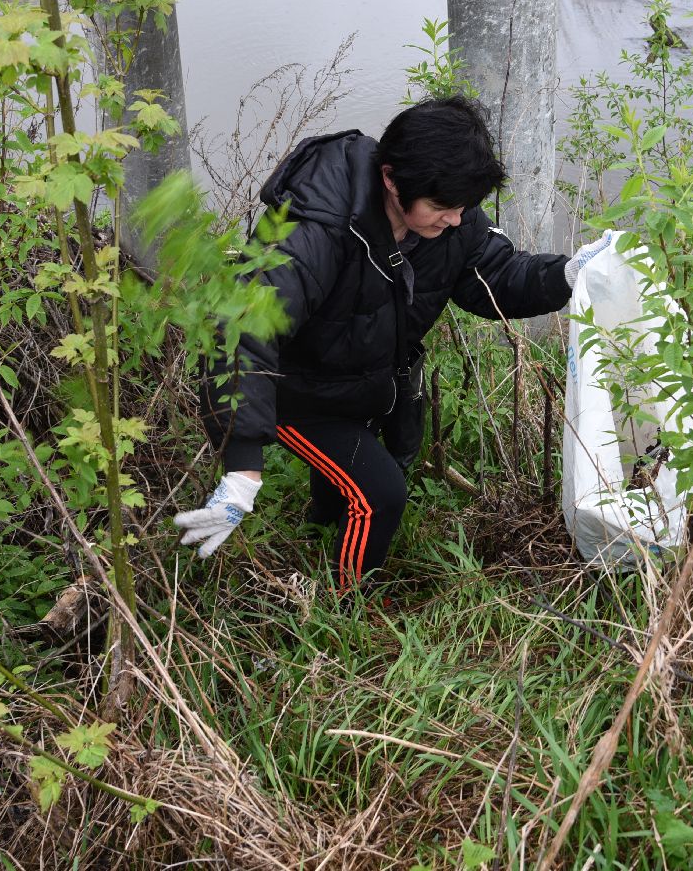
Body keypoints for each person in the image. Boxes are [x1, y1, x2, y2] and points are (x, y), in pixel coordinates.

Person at [177, 95, 613, 592]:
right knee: (379, 495)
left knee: (343, 487)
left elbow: (495, 274)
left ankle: (318, 529)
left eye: (463, 208)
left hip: (361, 381)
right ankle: (347, 602)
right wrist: (242, 470)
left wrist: (565, 275)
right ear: (390, 178)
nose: (455, 220)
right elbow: (242, 330)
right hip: (297, 392)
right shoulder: (316, 229)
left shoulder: (451, 216)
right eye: (442, 208)